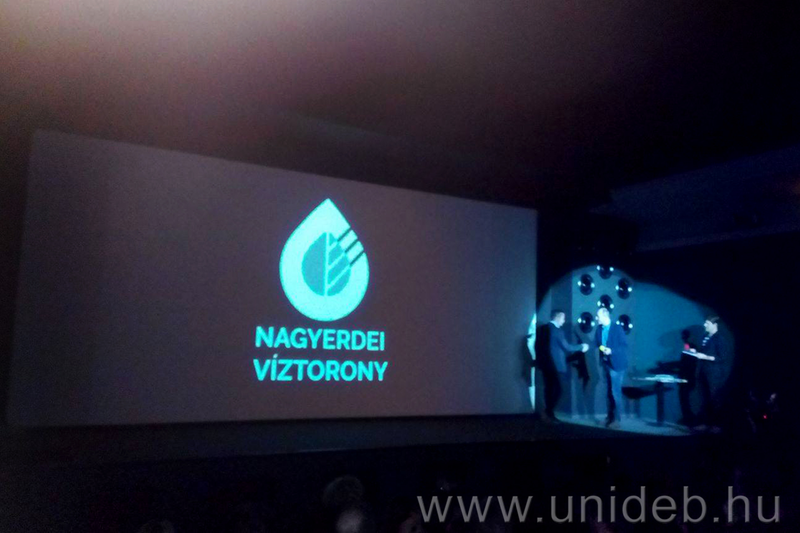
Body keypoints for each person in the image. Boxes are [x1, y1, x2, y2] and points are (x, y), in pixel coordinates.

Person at [535, 310, 588, 422]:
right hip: (555, 365)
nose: (564, 321)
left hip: (545, 365)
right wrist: (581, 346)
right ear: (558, 317)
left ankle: (548, 414)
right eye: (563, 318)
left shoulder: (541, 329)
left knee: (548, 389)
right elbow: (567, 347)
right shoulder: (557, 331)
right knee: (558, 390)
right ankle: (548, 412)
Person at [691, 315, 730, 430]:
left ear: (715, 325)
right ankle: (706, 423)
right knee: (704, 398)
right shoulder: (705, 336)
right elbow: (705, 351)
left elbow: (722, 357)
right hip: (703, 372)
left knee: (714, 399)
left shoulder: (720, 339)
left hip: (714, 375)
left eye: (707, 323)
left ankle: (716, 425)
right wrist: (696, 352)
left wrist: (705, 357)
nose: (704, 325)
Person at [594, 307, 628, 428]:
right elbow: (597, 343)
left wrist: (611, 351)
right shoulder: (599, 329)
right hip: (606, 364)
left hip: (617, 365)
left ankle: (617, 420)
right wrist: (602, 348)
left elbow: (624, 346)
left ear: (605, 316)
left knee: (615, 392)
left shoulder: (617, 328)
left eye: (598, 316)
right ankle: (609, 418)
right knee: (609, 392)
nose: (596, 318)